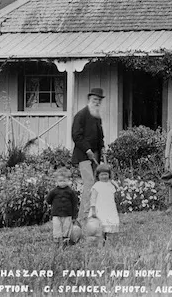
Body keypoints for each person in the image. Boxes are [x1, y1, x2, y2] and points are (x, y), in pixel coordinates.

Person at [72, 87, 105, 219]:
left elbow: (100, 136)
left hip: (95, 156)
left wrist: (102, 148)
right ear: (89, 99)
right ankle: (84, 215)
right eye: (94, 99)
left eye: (99, 100)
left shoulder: (97, 116)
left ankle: (91, 212)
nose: (96, 102)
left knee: (95, 184)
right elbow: (76, 136)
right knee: (89, 182)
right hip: (83, 155)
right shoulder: (81, 115)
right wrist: (87, 150)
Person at [45, 167, 79, 247]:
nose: (62, 183)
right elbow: (48, 200)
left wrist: (74, 215)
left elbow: (75, 203)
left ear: (68, 181)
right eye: (60, 181)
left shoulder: (70, 192)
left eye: (64, 181)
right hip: (56, 214)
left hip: (67, 214)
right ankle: (57, 242)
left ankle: (65, 242)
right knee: (57, 228)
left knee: (66, 229)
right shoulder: (54, 191)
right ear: (56, 181)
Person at [89, 163, 119, 245]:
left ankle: (108, 244)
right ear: (98, 176)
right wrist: (93, 210)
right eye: (102, 175)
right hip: (100, 209)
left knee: (109, 228)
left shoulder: (111, 185)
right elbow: (93, 199)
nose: (104, 177)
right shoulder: (97, 186)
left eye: (106, 174)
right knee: (100, 229)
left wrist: (114, 183)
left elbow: (117, 190)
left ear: (109, 175)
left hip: (109, 209)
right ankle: (100, 244)